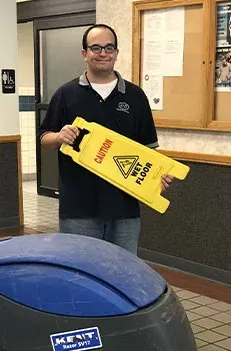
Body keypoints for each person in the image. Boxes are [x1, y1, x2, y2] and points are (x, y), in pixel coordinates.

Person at [39, 24, 173, 255]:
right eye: (96, 47)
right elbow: (44, 137)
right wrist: (60, 136)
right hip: (78, 208)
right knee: (81, 272)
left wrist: (159, 174)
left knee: (122, 272)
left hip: (125, 208)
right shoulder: (66, 93)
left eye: (109, 47)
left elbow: (148, 148)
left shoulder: (135, 96)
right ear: (84, 53)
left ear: (117, 52)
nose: (103, 53)